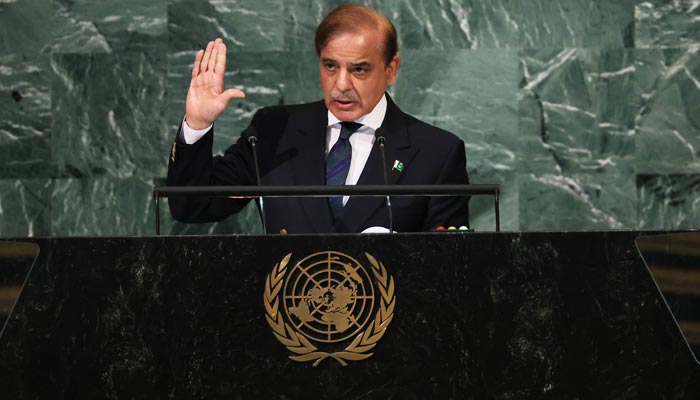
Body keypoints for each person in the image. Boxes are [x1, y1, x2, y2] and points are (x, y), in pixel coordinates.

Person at [167, 4, 469, 234]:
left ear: (391, 70)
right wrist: (197, 124)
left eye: (359, 70)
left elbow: (448, 270)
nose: (340, 85)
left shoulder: (436, 153)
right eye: (330, 66)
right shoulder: (274, 132)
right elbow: (192, 206)